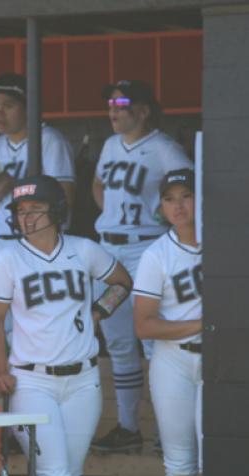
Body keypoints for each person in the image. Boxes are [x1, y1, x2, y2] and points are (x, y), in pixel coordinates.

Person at [0, 175, 132, 476]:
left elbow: (122, 282)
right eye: (21, 211)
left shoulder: (84, 249)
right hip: (32, 381)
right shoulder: (8, 259)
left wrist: (98, 312)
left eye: (35, 209)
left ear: (57, 211)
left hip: (84, 380)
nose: (26, 217)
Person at [91, 79, 194, 453]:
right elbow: (98, 183)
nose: (114, 111)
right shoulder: (108, 144)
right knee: (118, 343)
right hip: (110, 251)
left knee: (153, 342)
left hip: (148, 247)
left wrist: (160, 218)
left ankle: (166, 431)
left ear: (144, 110)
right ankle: (129, 427)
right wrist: (113, 213)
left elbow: (190, 189)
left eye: (122, 105)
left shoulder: (164, 148)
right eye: (111, 105)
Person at [133, 169, 202, 476]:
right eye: (169, 198)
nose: (178, 206)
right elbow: (143, 324)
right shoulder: (156, 254)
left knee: (224, 455)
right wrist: (203, 324)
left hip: (221, 360)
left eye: (186, 196)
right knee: (179, 464)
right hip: (174, 360)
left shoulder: (229, 240)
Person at [0, 72, 75, 258]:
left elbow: (65, 202)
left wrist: (15, 185)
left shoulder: (51, 141)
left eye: (8, 106)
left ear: (29, 108)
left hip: (41, 242)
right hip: (1, 243)